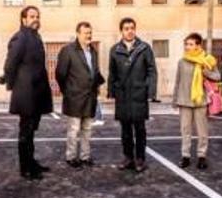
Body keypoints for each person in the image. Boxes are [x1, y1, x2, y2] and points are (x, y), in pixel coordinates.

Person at [4, 6, 54, 181]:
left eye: (37, 16)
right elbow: (10, 64)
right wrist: (12, 86)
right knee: (25, 132)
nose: (35, 19)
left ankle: (31, 162)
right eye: (32, 16)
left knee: (32, 130)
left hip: (37, 93)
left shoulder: (35, 37)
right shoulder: (20, 38)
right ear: (23, 19)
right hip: (26, 94)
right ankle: (25, 168)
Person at [108, 17, 158, 173]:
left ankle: (140, 159)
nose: (129, 31)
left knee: (140, 129)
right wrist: (112, 91)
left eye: (132, 28)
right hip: (123, 95)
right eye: (126, 28)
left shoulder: (144, 48)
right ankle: (128, 157)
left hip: (139, 94)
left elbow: (151, 71)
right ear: (121, 31)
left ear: (135, 30)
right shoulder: (115, 50)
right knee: (125, 130)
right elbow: (112, 72)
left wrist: (150, 91)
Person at [56, 22, 105, 168]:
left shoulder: (93, 51)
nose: (89, 35)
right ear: (78, 34)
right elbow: (60, 74)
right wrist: (68, 91)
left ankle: (85, 156)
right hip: (74, 98)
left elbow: (94, 72)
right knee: (74, 129)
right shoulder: (68, 50)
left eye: (90, 32)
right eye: (85, 33)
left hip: (90, 98)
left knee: (87, 130)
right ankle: (71, 156)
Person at [173, 33, 221, 169]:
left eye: (190, 44)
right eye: (186, 44)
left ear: (198, 45)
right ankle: (185, 156)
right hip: (184, 100)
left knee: (202, 131)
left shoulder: (207, 60)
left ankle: (202, 156)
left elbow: (218, 76)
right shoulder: (181, 62)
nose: (187, 47)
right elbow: (178, 81)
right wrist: (175, 99)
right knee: (185, 130)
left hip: (200, 101)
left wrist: (205, 72)